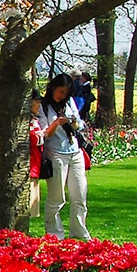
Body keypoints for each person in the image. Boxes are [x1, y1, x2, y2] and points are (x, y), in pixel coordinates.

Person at [40, 73, 90, 240]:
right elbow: (45, 133)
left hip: (74, 151)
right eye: (60, 92)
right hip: (55, 153)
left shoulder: (69, 103)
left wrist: (72, 121)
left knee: (79, 196)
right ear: (53, 87)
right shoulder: (44, 106)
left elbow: (79, 125)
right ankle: (55, 235)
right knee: (57, 197)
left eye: (65, 93)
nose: (62, 96)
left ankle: (80, 234)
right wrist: (56, 123)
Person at [27, 92, 45, 227]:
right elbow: (35, 139)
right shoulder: (28, 121)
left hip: (36, 163)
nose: (39, 105)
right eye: (36, 101)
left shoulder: (34, 120)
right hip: (30, 163)